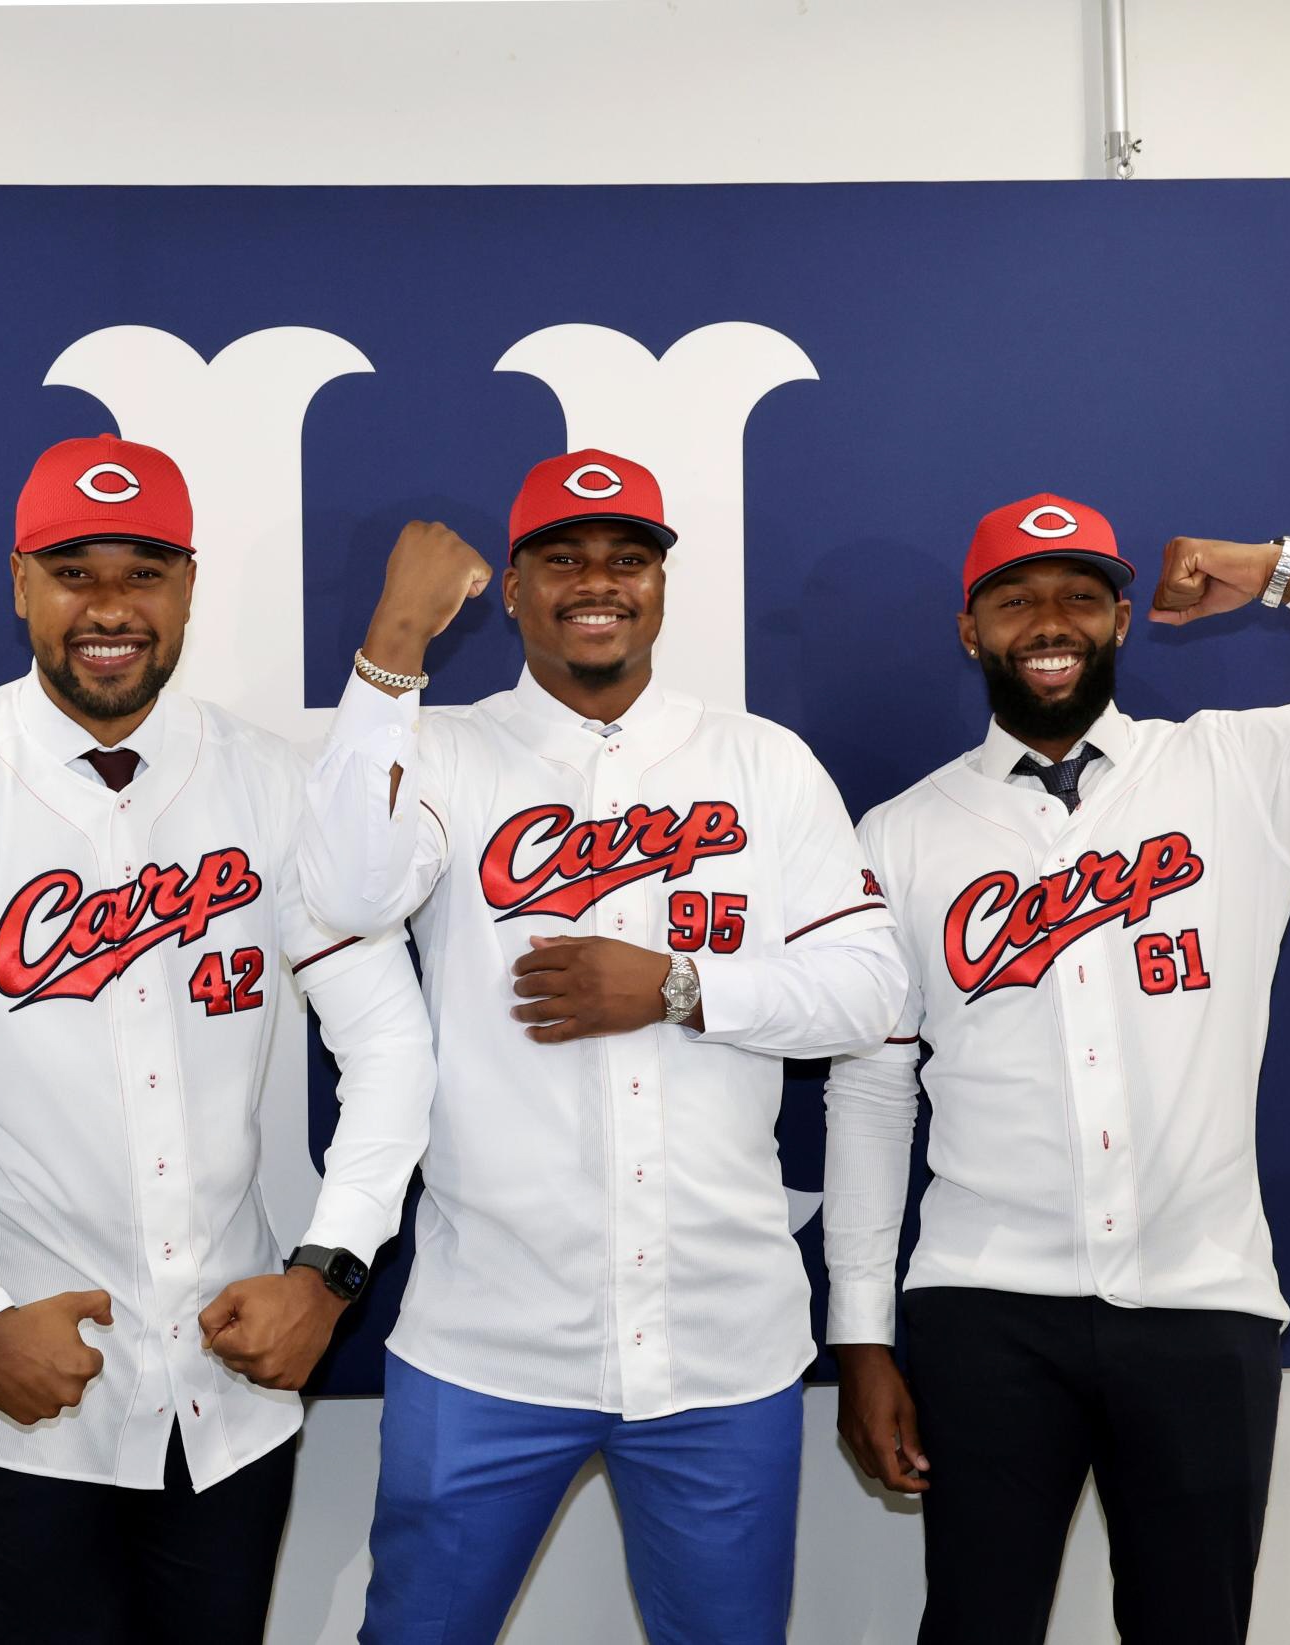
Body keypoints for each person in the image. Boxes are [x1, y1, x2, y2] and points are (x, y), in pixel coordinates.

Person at [824, 496, 1290, 1644]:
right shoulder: (900, 834)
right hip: (984, 1305)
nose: (1047, 621)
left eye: (1078, 595)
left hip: (1202, 1300)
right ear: (969, 630)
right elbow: (870, 1091)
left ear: (1121, 619)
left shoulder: (1239, 766)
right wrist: (861, 1336)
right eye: (1014, 599)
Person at [0, 434, 435, 1645]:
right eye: (75, 573)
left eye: (143, 573)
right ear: (21, 583)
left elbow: (389, 1038)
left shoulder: (268, 784)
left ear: (188, 587)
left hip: (229, 1390)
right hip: (22, 1394)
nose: (110, 608)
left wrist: (329, 1276)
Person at [298, 449, 908, 1644]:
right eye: (562, 558)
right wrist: (396, 640)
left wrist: (679, 987)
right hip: (488, 1340)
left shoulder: (761, 761)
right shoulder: (443, 751)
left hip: (720, 1345)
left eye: (628, 558)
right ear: (514, 587)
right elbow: (349, 891)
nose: (598, 582)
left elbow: (870, 993)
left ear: (660, 585)